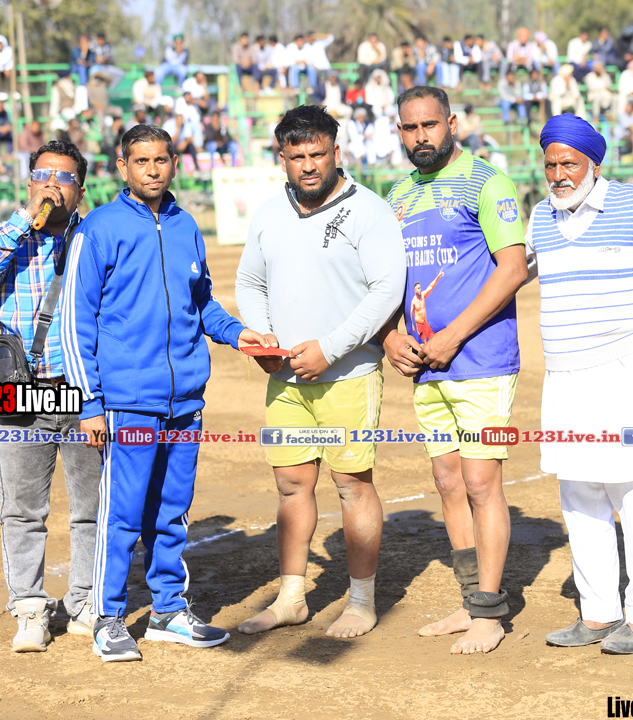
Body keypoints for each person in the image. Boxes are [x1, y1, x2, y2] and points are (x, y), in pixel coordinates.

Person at [62, 125, 265, 662]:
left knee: (172, 511)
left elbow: (203, 303)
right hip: (127, 402)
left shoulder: (186, 226)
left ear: (174, 163)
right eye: (141, 160)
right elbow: (74, 324)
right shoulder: (99, 229)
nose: (152, 170)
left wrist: (237, 334)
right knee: (122, 514)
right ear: (122, 167)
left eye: (161, 160)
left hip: (185, 401)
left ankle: (168, 612)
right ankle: (106, 617)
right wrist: (88, 404)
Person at [234, 104, 405, 640]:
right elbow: (250, 282)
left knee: (352, 486)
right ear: (282, 158)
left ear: (336, 151)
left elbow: (386, 291)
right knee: (291, 485)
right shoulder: (269, 214)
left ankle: (361, 602)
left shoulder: (369, 211)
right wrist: (264, 337)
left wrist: (329, 349)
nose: (308, 165)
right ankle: (291, 599)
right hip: (285, 379)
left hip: (349, 375)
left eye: (318, 153)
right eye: (297, 156)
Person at [382, 86, 528, 655]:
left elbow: (512, 269)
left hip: (481, 361)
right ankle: (471, 603)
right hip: (427, 365)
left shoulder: (488, 182)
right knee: (447, 483)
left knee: (481, 482)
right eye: (410, 128)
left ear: (453, 124)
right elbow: (391, 282)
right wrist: (391, 335)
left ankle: (490, 612)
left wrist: (454, 336)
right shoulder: (397, 195)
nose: (421, 137)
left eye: (430, 125)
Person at [524, 114, 633, 656]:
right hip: (564, 378)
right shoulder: (540, 217)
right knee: (579, 497)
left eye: (570, 164)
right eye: (551, 165)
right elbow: (508, 273)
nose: (559, 175)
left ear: (594, 164)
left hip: (628, 372)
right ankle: (599, 613)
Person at [0, 140, 99, 652]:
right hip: (20, 390)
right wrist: (27, 218)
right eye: (43, 175)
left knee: (91, 507)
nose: (51, 185)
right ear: (29, 183)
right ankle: (29, 609)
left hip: (83, 390)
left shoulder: (93, 236)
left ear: (80, 190)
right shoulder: (13, 234)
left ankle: (84, 602)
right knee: (22, 509)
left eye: (63, 177)